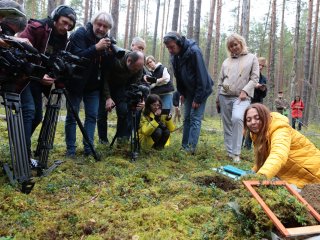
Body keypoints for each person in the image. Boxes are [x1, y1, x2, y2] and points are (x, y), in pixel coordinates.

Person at [18, 5, 77, 162]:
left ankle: (20, 145)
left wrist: (56, 80)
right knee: (29, 112)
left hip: (37, 82)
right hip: (22, 78)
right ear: (55, 18)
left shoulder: (63, 39)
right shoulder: (37, 28)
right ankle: (23, 155)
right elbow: (18, 51)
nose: (66, 27)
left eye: (69, 26)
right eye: (64, 22)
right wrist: (38, 74)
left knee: (37, 116)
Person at [64, 11, 113, 157]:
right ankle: (70, 150)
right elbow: (77, 56)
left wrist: (109, 55)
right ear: (93, 23)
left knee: (91, 116)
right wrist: (96, 48)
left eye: (105, 26)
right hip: (75, 83)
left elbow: (106, 68)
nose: (101, 29)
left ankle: (89, 148)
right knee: (72, 116)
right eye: (99, 24)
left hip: (93, 86)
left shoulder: (106, 40)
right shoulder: (80, 33)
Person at [244, 103, 320, 188]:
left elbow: (278, 154)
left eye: (257, 118)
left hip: (313, 174)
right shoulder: (256, 134)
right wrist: (252, 173)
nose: (253, 122)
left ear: (265, 116)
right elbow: (263, 159)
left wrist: (261, 177)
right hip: (295, 177)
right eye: (248, 120)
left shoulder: (280, 129)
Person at [163, 31, 213, 154]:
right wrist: (182, 93)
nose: (170, 50)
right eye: (168, 47)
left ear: (179, 43)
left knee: (195, 117)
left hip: (201, 90)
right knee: (186, 118)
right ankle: (184, 146)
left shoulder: (194, 52)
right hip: (188, 90)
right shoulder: (174, 56)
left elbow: (202, 77)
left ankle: (191, 149)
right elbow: (178, 77)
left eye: (172, 47)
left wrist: (198, 99)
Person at [97, 36, 147, 145]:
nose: (136, 71)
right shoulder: (116, 58)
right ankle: (103, 140)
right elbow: (104, 79)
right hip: (106, 86)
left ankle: (121, 138)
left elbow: (136, 84)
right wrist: (108, 98)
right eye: (134, 69)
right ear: (129, 61)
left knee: (123, 111)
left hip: (121, 89)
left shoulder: (139, 65)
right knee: (101, 113)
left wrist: (140, 99)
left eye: (138, 69)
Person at [216, 33, 259, 162]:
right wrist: (218, 97)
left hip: (242, 97)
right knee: (227, 124)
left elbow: (254, 78)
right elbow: (220, 80)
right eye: (231, 46)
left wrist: (245, 91)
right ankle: (229, 152)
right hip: (224, 95)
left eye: (235, 44)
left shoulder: (252, 58)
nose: (234, 48)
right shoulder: (226, 61)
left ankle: (236, 153)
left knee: (237, 119)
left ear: (241, 43)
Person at [243, 57, 268, 150]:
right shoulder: (248, 75)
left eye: (262, 66)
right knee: (244, 124)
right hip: (247, 102)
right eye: (259, 65)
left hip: (257, 104)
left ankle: (247, 146)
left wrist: (262, 89)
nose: (260, 67)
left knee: (254, 124)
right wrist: (254, 85)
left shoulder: (263, 79)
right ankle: (238, 144)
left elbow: (264, 95)